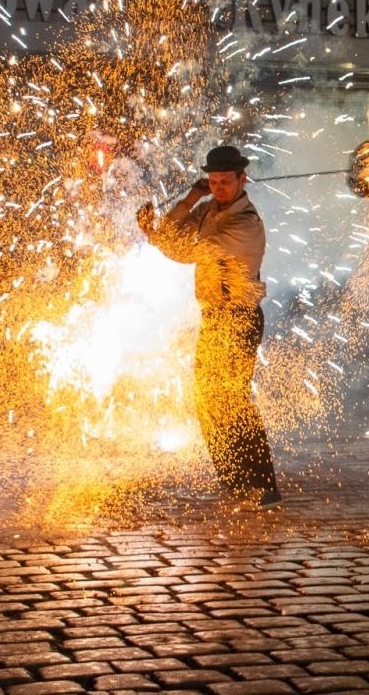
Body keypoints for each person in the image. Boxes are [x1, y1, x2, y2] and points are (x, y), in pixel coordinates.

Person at [137, 145, 281, 510]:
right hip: (215, 318)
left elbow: (188, 250)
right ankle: (235, 481)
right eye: (212, 181)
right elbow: (174, 244)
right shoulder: (206, 210)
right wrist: (189, 198)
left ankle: (264, 486)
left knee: (233, 400)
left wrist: (157, 235)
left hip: (239, 318)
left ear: (241, 179)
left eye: (224, 181)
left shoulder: (245, 223)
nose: (218, 187)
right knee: (208, 402)